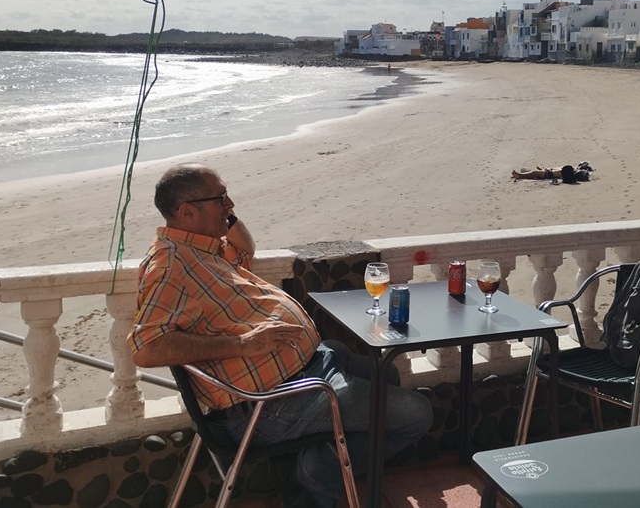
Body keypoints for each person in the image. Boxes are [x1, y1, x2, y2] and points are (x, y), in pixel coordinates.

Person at [127, 163, 432, 507]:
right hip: (271, 404)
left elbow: (245, 249)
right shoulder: (170, 267)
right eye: (222, 199)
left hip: (309, 367)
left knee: (387, 373)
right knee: (417, 415)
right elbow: (146, 347)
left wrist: (224, 216)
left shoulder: (200, 249)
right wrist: (242, 344)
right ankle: (319, 470)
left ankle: (326, 454)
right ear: (186, 212)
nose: (230, 205)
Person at [512, 161, 592, 183]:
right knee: (532, 172)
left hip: (547, 174)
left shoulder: (569, 172)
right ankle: (523, 174)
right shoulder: (572, 170)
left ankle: (520, 175)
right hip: (548, 172)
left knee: (533, 173)